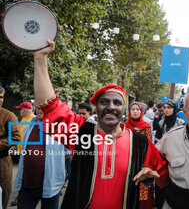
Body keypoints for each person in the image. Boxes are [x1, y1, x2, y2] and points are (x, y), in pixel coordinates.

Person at [32, 40, 168, 209]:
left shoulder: (140, 142)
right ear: (96, 107)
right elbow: (49, 107)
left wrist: (151, 177)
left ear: (123, 108)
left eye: (117, 103)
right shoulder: (81, 132)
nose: (111, 107)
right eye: (104, 102)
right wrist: (40, 58)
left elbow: (165, 175)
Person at [14, 108, 66, 209]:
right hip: (27, 184)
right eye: (38, 106)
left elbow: (68, 152)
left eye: (44, 106)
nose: (40, 109)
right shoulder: (30, 125)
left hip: (50, 185)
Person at [125, 101, 154, 209]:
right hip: (127, 160)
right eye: (133, 109)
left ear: (142, 112)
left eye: (138, 109)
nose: (135, 111)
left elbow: (150, 145)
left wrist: (147, 163)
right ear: (129, 112)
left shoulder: (146, 127)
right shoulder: (124, 127)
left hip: (143, 160)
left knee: (142, 185)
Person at [0, 86, 20, 209]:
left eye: (1, 97)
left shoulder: (9, 116)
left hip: (2, 161)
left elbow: (16, 137)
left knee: (3, 192)